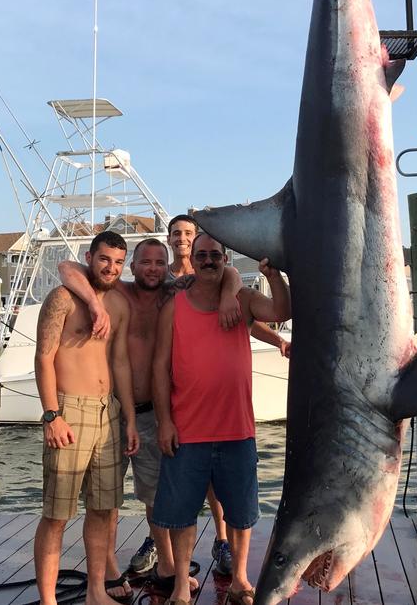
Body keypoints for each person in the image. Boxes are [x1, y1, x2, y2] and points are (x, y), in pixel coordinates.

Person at [57, 228, 288, 589]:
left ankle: (168, 567)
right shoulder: (119, 291)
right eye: (144, 262)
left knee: (154, 497)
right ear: (131, 266)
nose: (151, 268)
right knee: (106, 499)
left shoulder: (175, 293)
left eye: (158, 263)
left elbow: (226, 274)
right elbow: (67, 266)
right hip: (113, 408)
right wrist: (90, 300)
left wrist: (243, 294)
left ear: (169, 267)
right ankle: (111, 573)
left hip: (155, 413)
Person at [152, 233, 291, 605]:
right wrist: (164, 422)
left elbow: (280, 312)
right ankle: (182, 583)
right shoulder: (174, 307)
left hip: (236, 430)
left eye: (215, 255)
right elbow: (159, 367)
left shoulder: (242, 300)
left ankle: (241, 580)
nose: (209, 260)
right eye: (202, 255)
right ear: (192, 260)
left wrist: (273, 274)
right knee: (181, 516)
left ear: (225, 258)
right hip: (187, 431)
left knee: (241, 513)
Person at [33, 231, 139, 605]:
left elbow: (121, 363)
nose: (110, 268)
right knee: (57, 512)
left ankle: (96, 592)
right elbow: (43, 357)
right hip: (68, 409)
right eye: (104, 259)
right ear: (89, 257)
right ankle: (49, 601)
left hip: (107, 411)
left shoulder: (121, 305)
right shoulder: (62, 298)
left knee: (102, 508)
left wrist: (128, 418)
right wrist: (52, 415)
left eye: (117, 262)